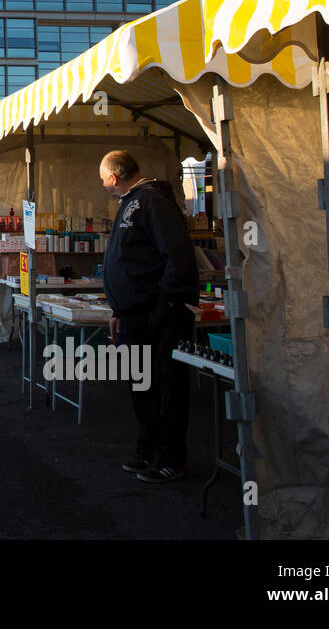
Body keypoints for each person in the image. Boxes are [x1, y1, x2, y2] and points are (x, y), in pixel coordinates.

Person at [100, 150, 199, 484]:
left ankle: (172, 458)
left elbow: (178, 254)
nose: (102, 184)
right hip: (132, 315)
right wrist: (118, 308)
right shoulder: (131, 202)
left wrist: (167, 303)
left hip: (159, 315)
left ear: (114, 177)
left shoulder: (153, 200)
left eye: (103, 179)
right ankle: (149, 449)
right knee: (142, 386)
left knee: (167, 386)